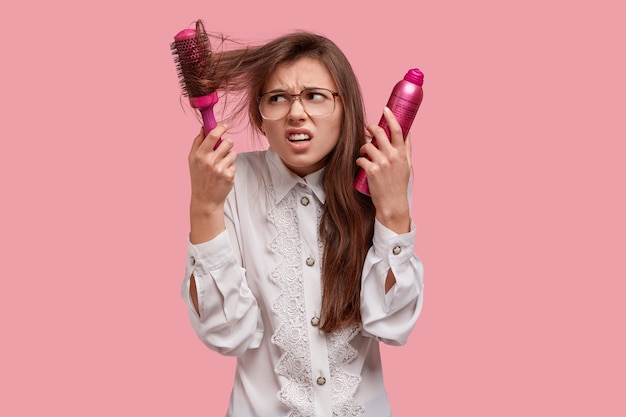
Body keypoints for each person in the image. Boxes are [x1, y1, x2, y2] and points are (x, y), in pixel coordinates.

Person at [181, 28, 424, 417]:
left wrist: (394, 209)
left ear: (346, 108)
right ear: (261, 118)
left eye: (315, 96)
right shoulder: (229, 181)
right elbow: (228, 335)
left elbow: (392, 326)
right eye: (277, 98)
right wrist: (204, 207)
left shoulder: (380, 177)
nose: (296, 113)